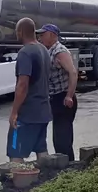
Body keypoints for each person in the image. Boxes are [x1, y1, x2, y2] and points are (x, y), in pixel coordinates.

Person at [8, 17, 52, 163]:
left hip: (27, 115)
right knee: (41, 150)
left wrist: (14, 112)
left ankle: (19, 184)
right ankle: (47, 181)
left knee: (15, 151)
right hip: (43, 111)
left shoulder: (25, 53)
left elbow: (23, 85)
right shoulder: (44, 50)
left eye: (17, 31)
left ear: (20, 32)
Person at [37, 24, 78, 162]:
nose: (40, 37)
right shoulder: (49, 50)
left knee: (62, 139)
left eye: (43, 34)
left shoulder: (59, 51)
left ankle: (69, 168)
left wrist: (69, 96)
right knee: (59, 137)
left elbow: (73, 72)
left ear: (52, 35)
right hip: (55, 98)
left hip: (63, 98)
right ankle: (66, 166)